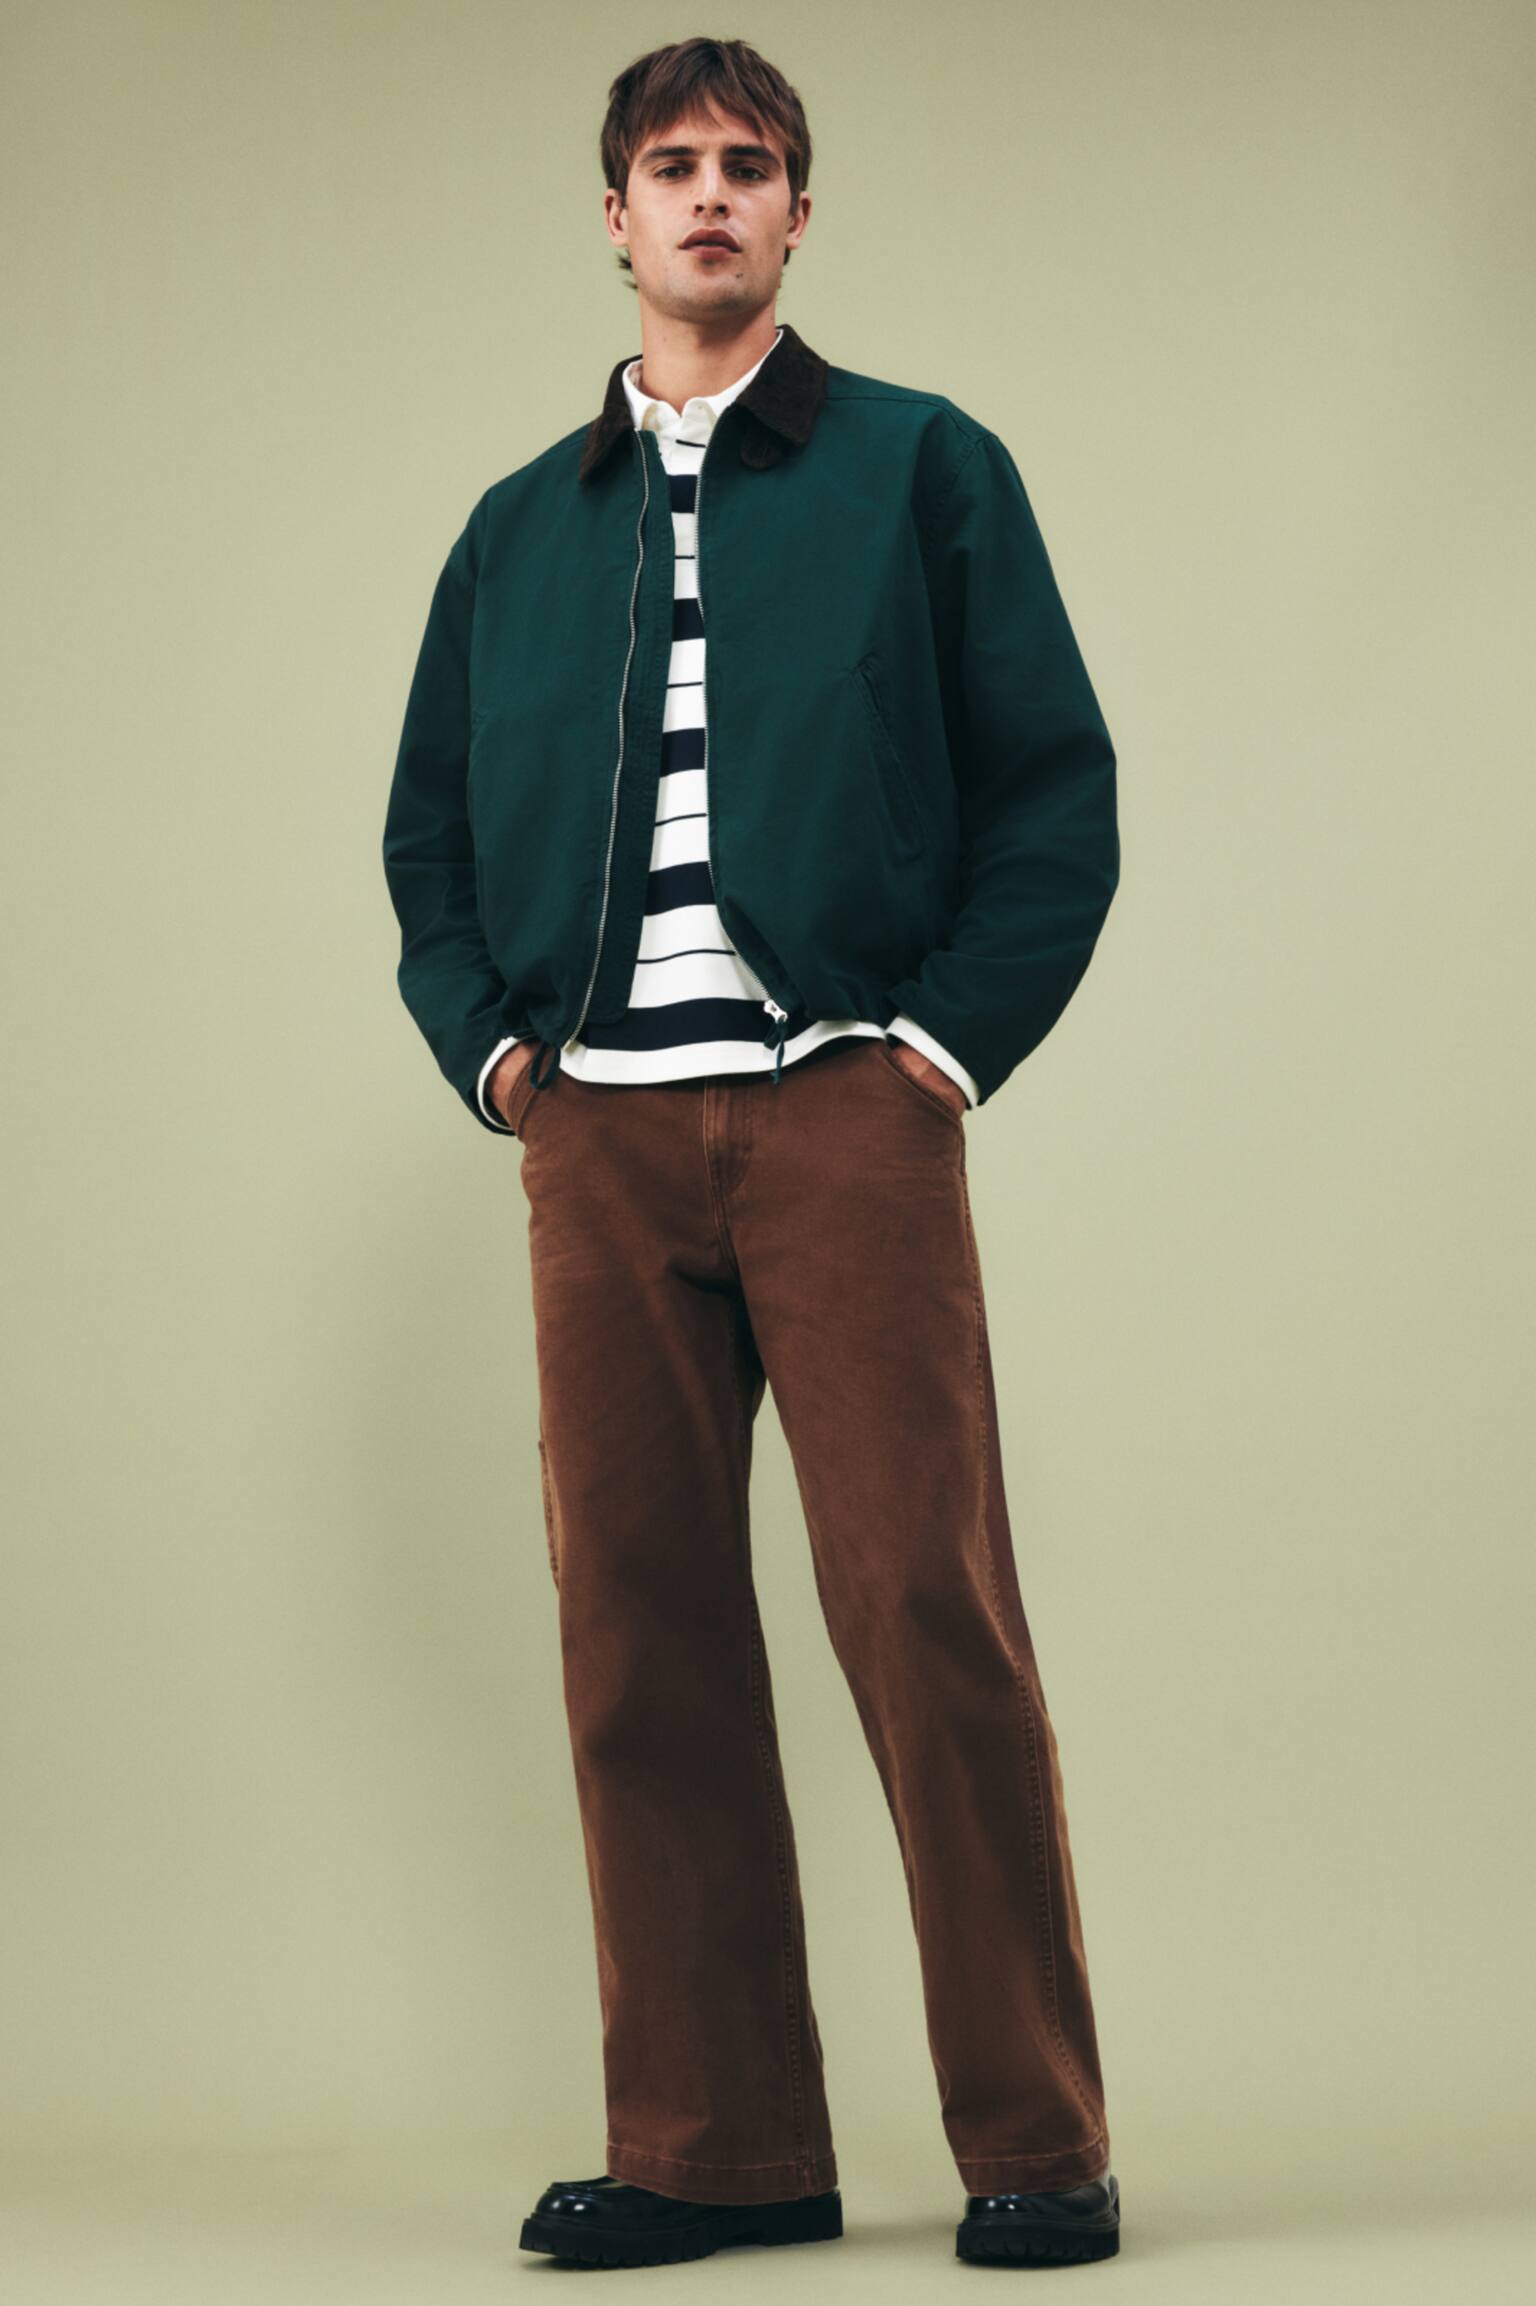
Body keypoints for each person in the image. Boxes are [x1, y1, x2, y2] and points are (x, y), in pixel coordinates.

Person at [382, 35, 1122, 2273]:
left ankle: (1039, 2143)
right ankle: (720, 2150)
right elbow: (429, 842)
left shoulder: (921, 468)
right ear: (613, 215)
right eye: (672, 165)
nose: (711, 195)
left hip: (842, 1117)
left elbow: (1053, 791)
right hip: (598, 1139)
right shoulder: (519, 530)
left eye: (753, 164)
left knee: (924, 1605)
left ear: (801, 212)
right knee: (640, 1634)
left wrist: (935, 1054)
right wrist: (503, 1062)